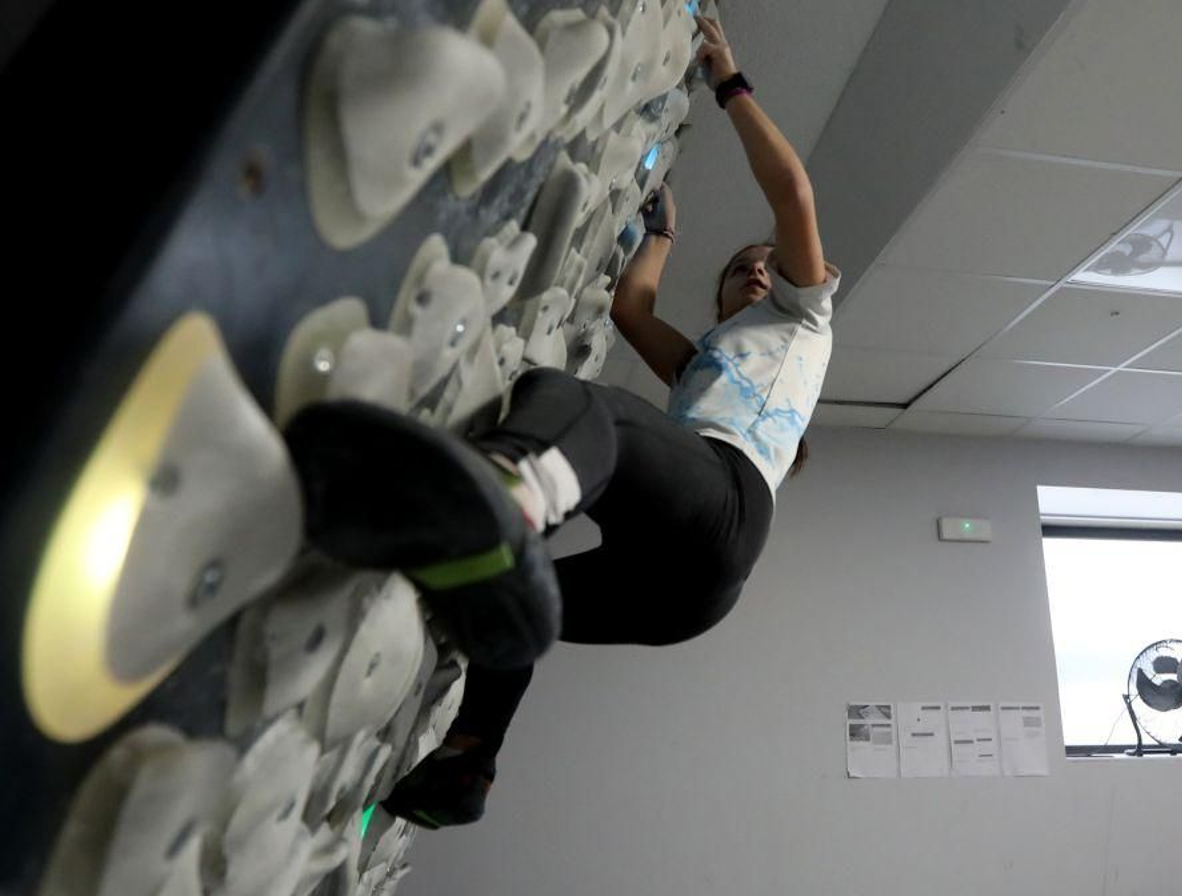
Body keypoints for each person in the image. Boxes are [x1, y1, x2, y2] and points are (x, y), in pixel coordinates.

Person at [285, 14, 837, 828]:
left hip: (725, 505)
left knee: (571, 403)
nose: (758, 270)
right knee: (494, 595)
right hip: (687, 595)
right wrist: (666, 233)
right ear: (719, 301)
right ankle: (469, 761)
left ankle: (512, 489)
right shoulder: (705, 367)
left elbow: (791, 192)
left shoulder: (804, 317)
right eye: (738, 270)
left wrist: (730, 86)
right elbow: (631, 309)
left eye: (767, 264)